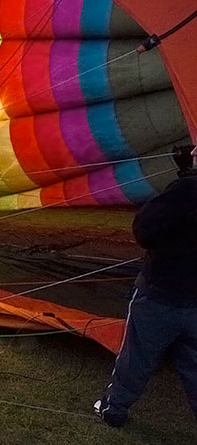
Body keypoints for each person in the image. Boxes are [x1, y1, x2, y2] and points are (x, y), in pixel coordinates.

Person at [94, 144, 197, 427]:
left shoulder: (185, 192)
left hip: (160, 294)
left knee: (137, 356)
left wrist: (185, 179)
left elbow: (145, 228)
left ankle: (114, 409)